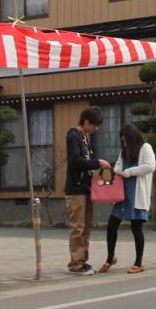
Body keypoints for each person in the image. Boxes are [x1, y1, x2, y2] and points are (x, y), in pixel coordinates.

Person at [99, 123, 155, 274]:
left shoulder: (146, 147)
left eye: (125, 140)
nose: (123, 143)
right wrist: (117, 171)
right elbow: (117, 166)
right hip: (122, 194)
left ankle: (139, 262)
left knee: (136, 227)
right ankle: (110, 258)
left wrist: (128, 172)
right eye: (122, 141)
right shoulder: (124, 150)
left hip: (136, 193)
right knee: (112, 225)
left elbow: (150, 166)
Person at [64, 107, 110, 275]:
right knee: (78, 226)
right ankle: (75, 263)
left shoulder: (84, 137)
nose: (96, 129)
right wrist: (97, 162)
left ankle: (83, 260)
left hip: (86, 188)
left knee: (86, 226)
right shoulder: (73, 135)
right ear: (86, 121)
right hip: (75, 189)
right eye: (95, 125)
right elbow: (75, 161)